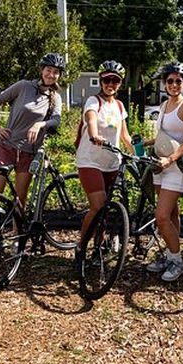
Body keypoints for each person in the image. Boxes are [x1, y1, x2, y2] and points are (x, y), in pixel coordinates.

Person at [0, 53, 65, 240]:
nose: (51, 74)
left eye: (56, 72)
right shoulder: (24, 86)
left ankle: (17, 239)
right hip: (6, 147)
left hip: (28, 153)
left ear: (59, 75)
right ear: (41, 70)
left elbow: (56, 120)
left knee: (20, 197)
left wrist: (41, 124)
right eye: (48, 70)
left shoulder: (55, 98)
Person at [144, 62, 183, 282]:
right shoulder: (164, 104)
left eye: (179, 81)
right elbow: (163, 135)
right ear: (164, 83)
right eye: (170, 81)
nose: (174, 84)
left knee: (161, 216)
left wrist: (171, 159)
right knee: (172, 214)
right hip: (160, 166)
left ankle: (177, 261)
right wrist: (143, 143)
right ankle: (169, 254)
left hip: (175, 167)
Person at [76, 60, 133, 239]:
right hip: (90, 161)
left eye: (115, 81)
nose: (110, 84)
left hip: (112, 164)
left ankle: (98, 246)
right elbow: (91, 119)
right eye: (106, 80)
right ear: (100, 81)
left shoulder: (119, 106)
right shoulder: (93, 102)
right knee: (98, 205)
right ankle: (81, 246)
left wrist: (140, 153)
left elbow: (125, 136)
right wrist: (94, 135)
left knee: (105, 209)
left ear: (120, 83)